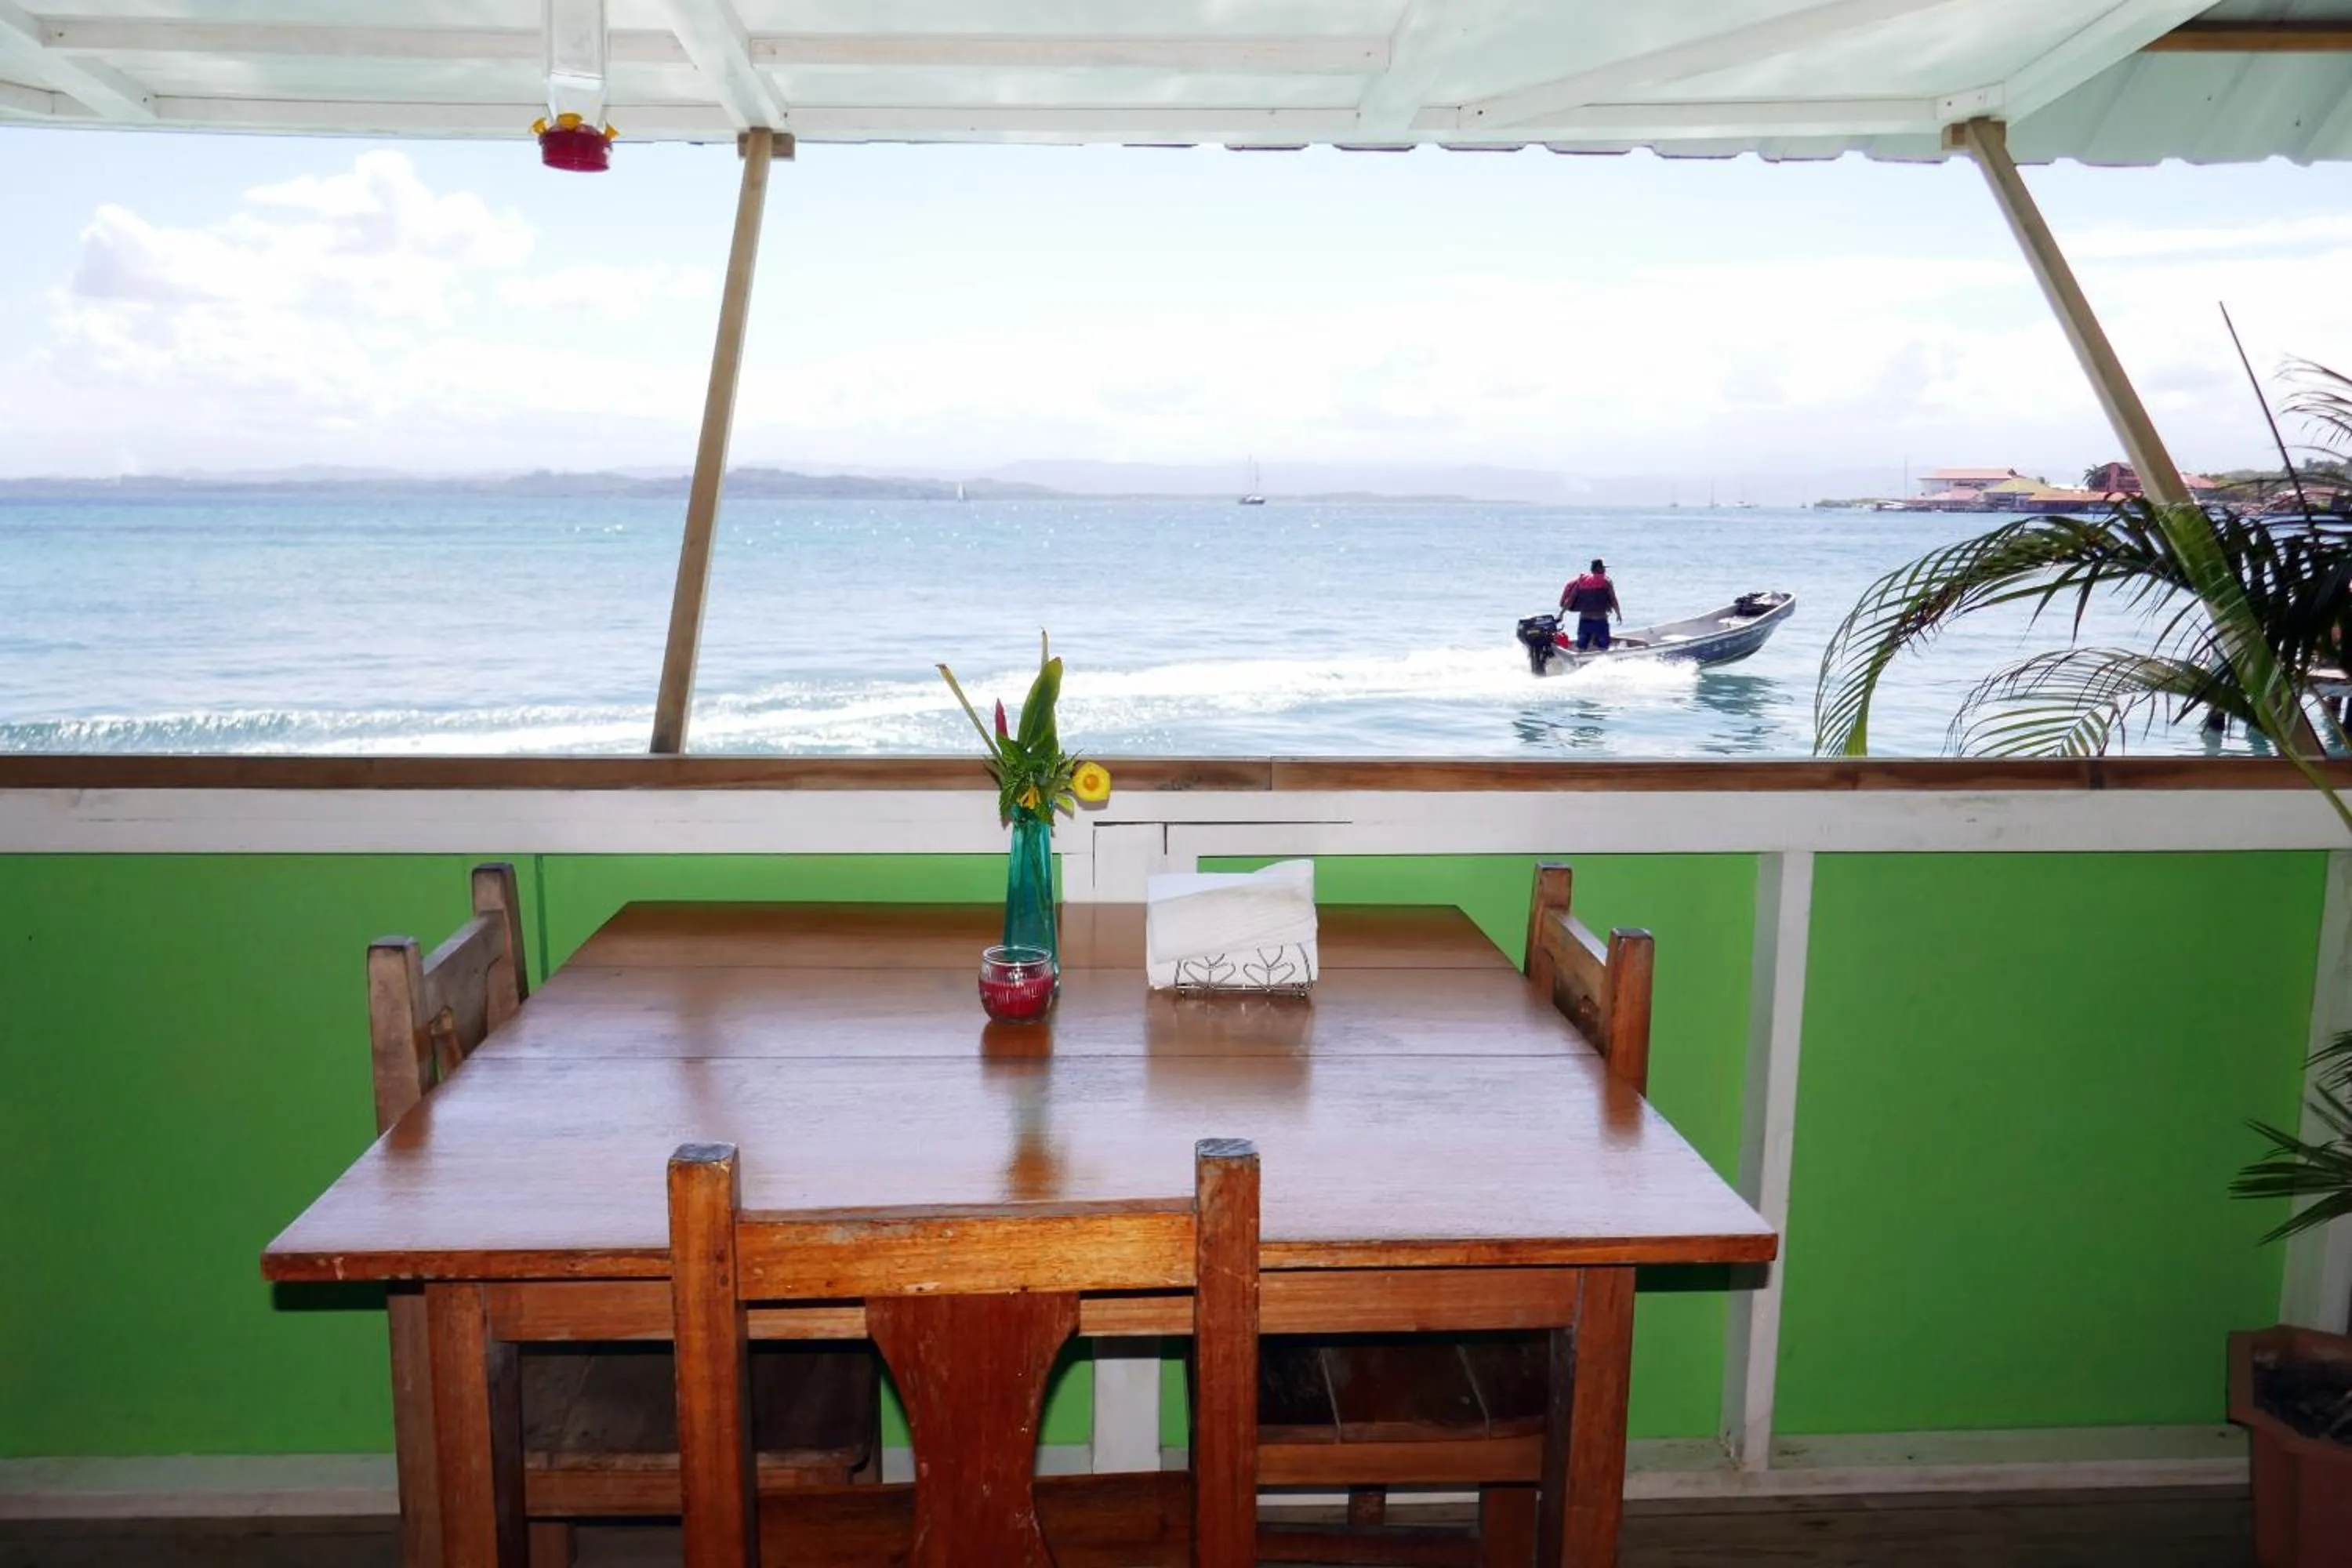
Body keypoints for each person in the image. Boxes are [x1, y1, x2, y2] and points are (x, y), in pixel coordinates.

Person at [1560, 558, 1621, 652]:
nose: (1605, 570)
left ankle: (1579, 664)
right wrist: (1618, 613)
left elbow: (1571, 599)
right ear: (1599, 569)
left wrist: (1562, 613)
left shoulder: (1582, 581)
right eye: (1603, 568)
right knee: (1604, 648)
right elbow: (1613, 599)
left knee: (1581, 648)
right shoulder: (1606, 581)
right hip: (1600, 621)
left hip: (1585, 621)